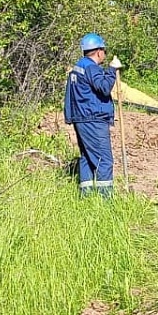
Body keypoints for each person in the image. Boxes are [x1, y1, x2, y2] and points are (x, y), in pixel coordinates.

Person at [64, 33, 118, 197]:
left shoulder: (78, 67)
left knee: (86, 157)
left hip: (80, 118)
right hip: (93, 119)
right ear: (99, 51)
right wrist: (112, 70)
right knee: (104, 160)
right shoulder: (91, 68)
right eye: (104, 51)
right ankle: (105, 200)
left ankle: (86, 196)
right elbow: (104, 87)